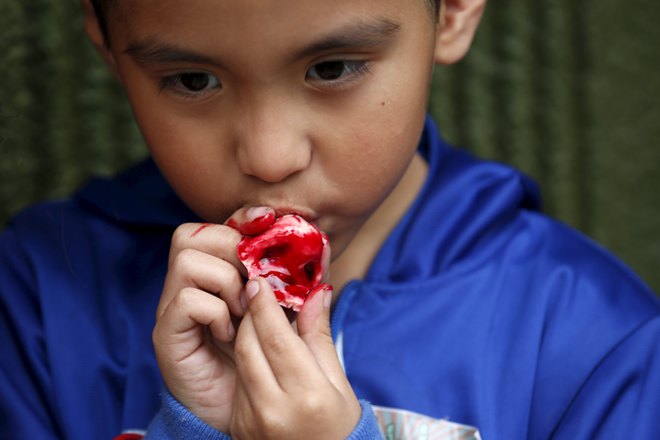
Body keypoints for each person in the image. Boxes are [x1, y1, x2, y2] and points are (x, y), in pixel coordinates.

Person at [1, 0, 659, 438]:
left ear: (453, 11)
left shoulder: (592, 342)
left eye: (332, 68)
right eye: (194, 81)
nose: (269, 156)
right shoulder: (39, 306)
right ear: (110, 49)